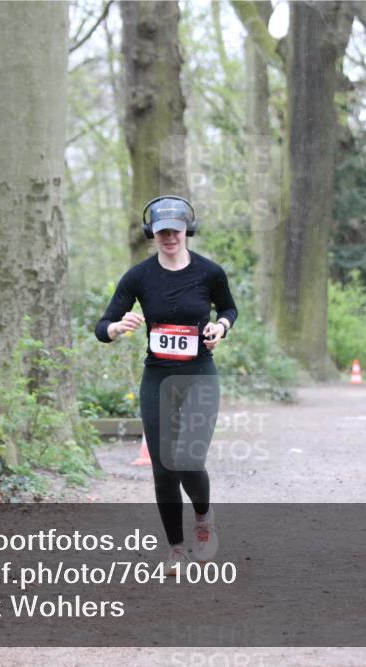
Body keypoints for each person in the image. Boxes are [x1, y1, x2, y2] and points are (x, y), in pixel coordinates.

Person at [95, 195, 237, 575]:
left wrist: (219, 328)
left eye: (175, 231)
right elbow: (102, 326)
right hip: (157, 377)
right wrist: (116, 327)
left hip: (199, 376)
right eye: (162, 233)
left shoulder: (209, 273)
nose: (169, 238)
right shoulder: (139, 276)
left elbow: (228, 309)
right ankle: (176, 548)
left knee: (188, 458)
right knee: (162, 467)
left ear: (186, 231)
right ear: (152, 234)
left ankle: (204, 521)